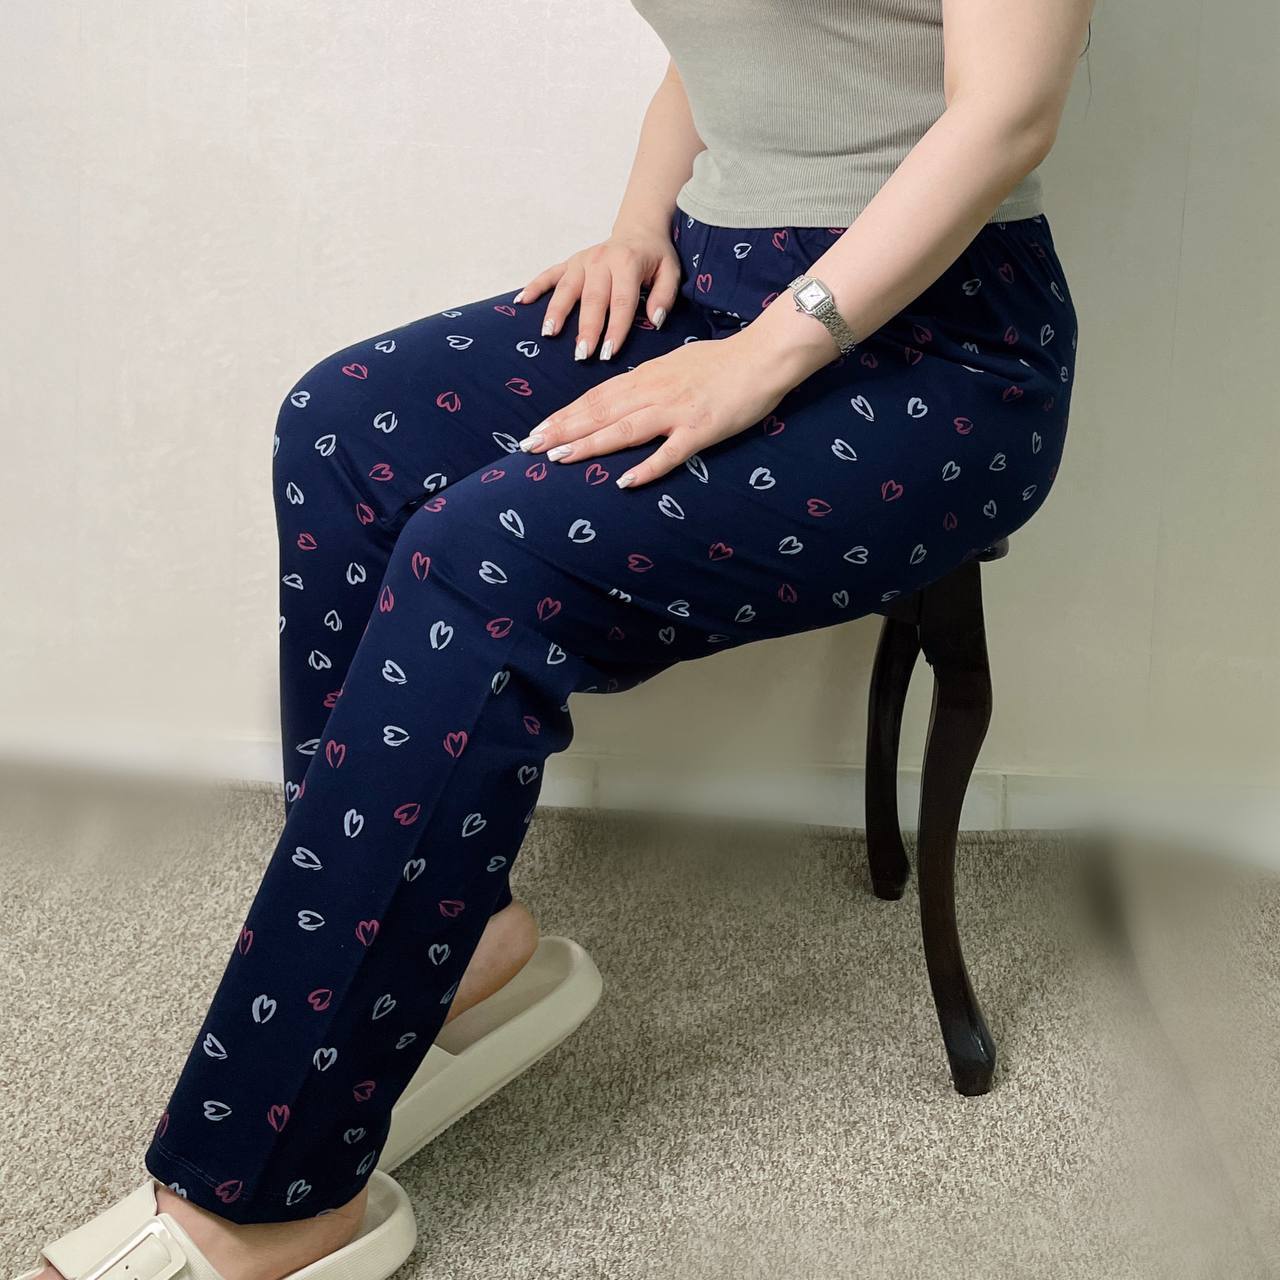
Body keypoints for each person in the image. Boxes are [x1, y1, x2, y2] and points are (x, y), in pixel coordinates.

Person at [17, 1, 1093, 1278]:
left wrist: (759, 357)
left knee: (483, 555)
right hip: (713, 284)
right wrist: (639, 227)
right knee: (343, 429)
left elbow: (1005, 109)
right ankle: (460, 942)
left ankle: (265, 1196)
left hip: (940, 348)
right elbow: (734, 46)